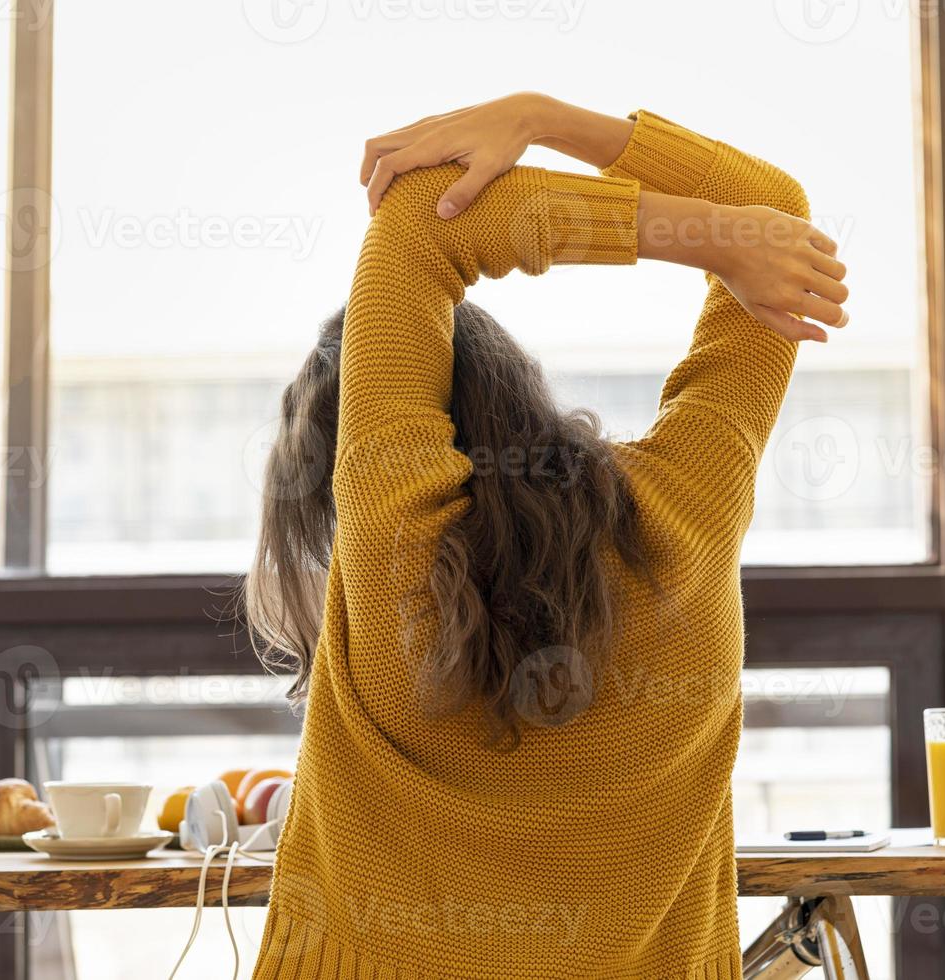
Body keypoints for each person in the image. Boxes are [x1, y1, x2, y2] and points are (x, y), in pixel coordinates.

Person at [247, 93, 849, 979]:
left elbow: (418, 223)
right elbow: (773, 218)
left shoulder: (392, 534)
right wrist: (546, 119)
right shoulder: (688, 505)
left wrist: (724, 239)